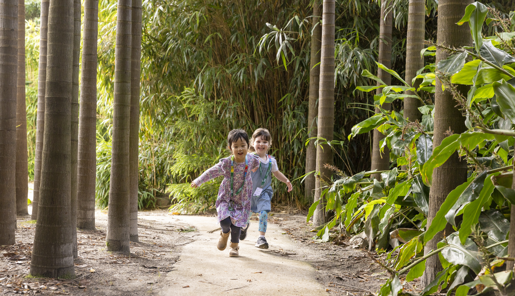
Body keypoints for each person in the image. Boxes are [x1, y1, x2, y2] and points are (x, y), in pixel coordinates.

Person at [191, 129, 260, 257]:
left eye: (243, 146)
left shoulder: (251, 160)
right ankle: (224, 233)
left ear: (248, 146)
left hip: (242, 198)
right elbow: (212, 172)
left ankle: (234, 247)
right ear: (230, 147)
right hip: (226, 196)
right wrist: (198, 180)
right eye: (236, 146)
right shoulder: (227, 163)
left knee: (237, 225)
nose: (240, 149)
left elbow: (258, 165)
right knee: (225, 221)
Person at [240, 128, 292, 249]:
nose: (261, 144)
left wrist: (286, 180)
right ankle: (243, 227)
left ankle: (261, 237)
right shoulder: (248, 157)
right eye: (258, 141)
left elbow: (277, 173)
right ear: (252, 143)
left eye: (264, 142)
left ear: (269, 144)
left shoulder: (271, 161)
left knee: (264, 212)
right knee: (245, 216)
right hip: (248, 193)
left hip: (263, 192)